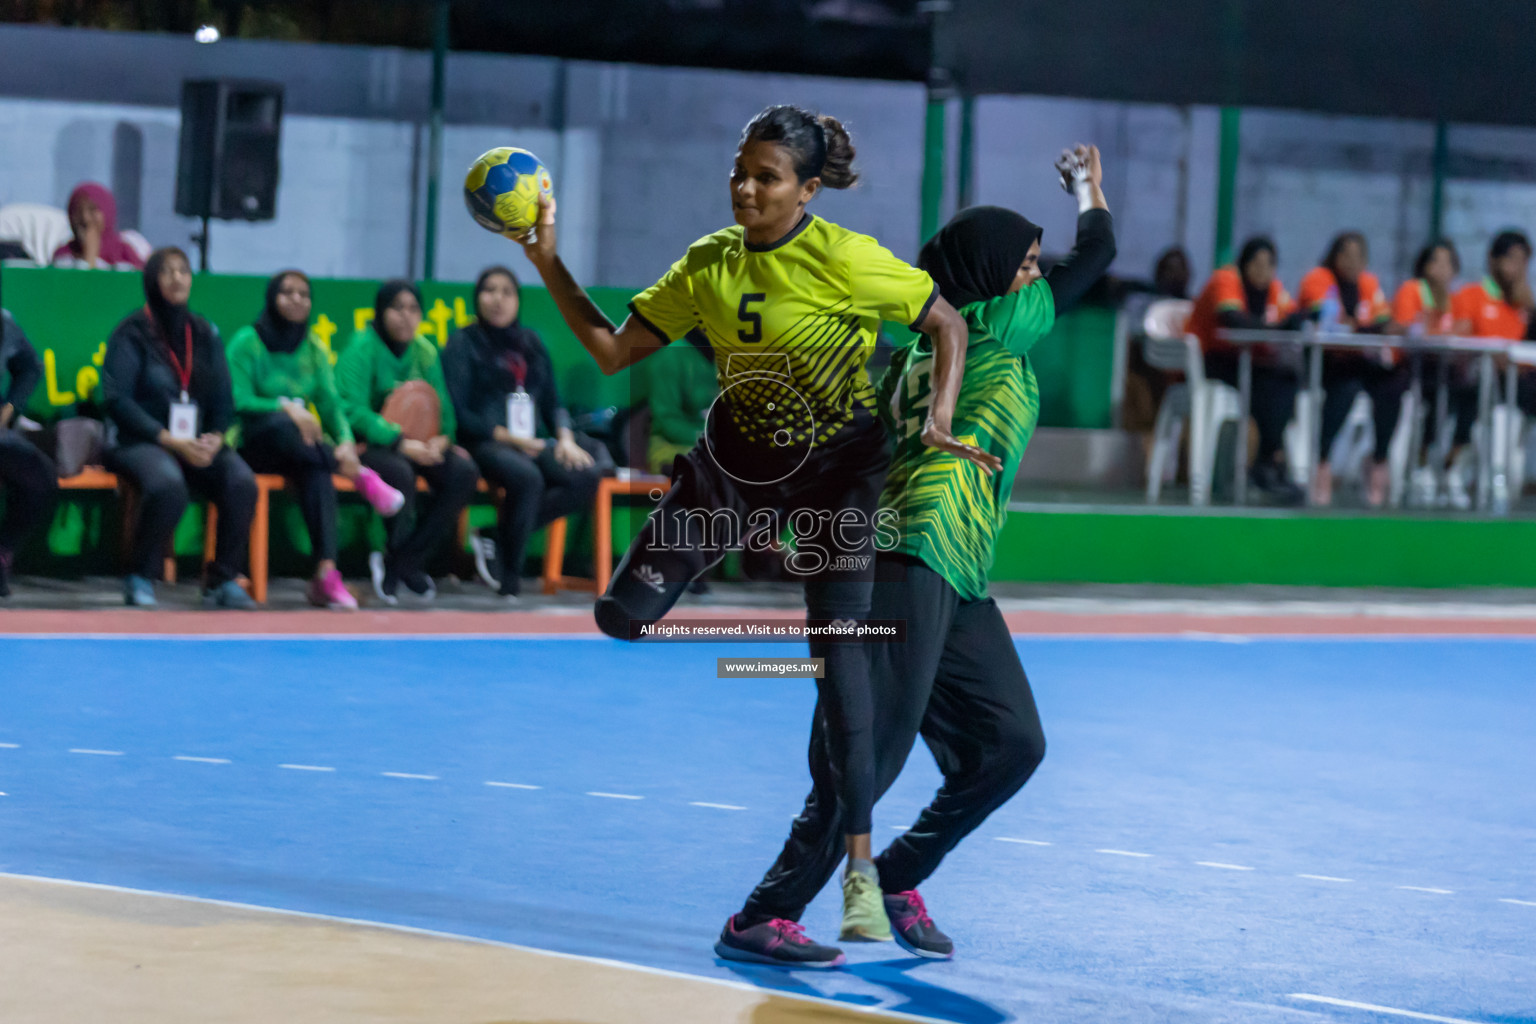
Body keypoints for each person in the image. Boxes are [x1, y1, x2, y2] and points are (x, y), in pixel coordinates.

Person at [512, 103, 996, 967]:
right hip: (732, 470)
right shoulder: (709, 263)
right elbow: (612, 351)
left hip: (840, 478)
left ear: (808, 190)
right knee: (621, 617)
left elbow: (947, 321)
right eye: (740, 172)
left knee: (844, 666)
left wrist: (938, 417)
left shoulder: (847, 259)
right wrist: (546, 260)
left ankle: (838, 881)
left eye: (765, 177)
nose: (745, 188)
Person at [734, 147, 1115, 962]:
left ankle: (898, 875)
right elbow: (1101, 257)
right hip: (914, 555)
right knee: (867, 751)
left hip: (956, 569)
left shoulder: (918, 353)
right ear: (984, 275)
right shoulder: (995, 323)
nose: (1034, 278)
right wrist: (1088, 188)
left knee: (1011, 743)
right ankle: (764, 913)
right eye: (1023, 265)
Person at [227, 271, 406, 610]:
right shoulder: (247, 342)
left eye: (304, 294)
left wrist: (345, 442)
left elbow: (330, 404)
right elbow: (237, 400)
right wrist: (287, 408)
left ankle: (326, 575)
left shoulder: (313, 348)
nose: (297, 300)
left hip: (301, 451)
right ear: (271, 298)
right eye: (287, 293)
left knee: (316, 471)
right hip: (253, 444)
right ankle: (362, 477)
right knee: (286, 427)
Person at [101, 247, 256, 609]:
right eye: (167, 272)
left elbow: (222, 398)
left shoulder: (204, 332)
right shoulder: (131, 332)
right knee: (168, 484)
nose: (177, 279)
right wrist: (170, 440)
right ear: (152, 280)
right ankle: (139, 575)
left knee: (241, 481)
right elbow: (117, 401)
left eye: (183, 271)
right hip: (139, 440)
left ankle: (223, 579)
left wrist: (215, 439)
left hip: (196, 442)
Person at [442, 266, 600, 602]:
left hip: (532, 441)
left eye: (507, 292)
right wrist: (512, 440)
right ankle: (510, 580)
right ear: (477, 297)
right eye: (490, 290)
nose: (498, 299)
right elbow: (459, 413)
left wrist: (566, 440)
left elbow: (553, 401)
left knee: (586, 474)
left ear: (517, 300)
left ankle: (496, 538)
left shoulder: (530, 342)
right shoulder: (462, 342)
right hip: (485, 442)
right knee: (527, 478)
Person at [336, 279, 479, 605]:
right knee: (400, 473)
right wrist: (398, 440)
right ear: (381, 312)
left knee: (463, 472)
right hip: (371, 447)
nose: (406, 317)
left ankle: (405, 561)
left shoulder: (425, 352)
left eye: (413, 309)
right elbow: (351, 409)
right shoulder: (361, 348)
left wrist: (443, 440)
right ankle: (391, 557)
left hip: (422, 445)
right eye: (397, 308)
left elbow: (444, 408)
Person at [1186, 237, 1306, 503]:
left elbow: (1294, 318)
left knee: (1287, 378)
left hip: (1247, 362)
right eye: (1256, 263)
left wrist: (1290, 322)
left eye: (1269, 265)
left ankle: (1267, 461)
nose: (1262, 271)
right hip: (1213, 360)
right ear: (1244, 263)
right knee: (1267, 385)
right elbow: (1234, 321)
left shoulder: (1273, 289)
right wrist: (1277, 328)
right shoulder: (1226, 280)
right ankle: (1269, 464)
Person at [1297, 232, 1405, 507]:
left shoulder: (1369, 283)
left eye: (1359, 255)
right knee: (1346, 388)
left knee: (1393, 385)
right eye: (1346, 254)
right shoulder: (1318, 279)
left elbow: (1383, 322)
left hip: (1362, 361)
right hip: (1326, 364)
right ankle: (1321, 460)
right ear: (1334, 256)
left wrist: (1359, 325)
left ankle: (1378, 459)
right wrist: (1361, 326)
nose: (1352, 261)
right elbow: (1328, 319)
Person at [1453, 231, 1535, 508]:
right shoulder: (1471, 295)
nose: (1519, 267)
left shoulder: (1524, 304)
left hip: (1520, 385)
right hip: (1480, 384)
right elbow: (1459, 341)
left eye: (1524, 260)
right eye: (1512, 259)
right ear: (1493, 260)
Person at [1391, 241, 1465, 506]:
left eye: (1448, 262)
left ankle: (1450, 466)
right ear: (1424, 266)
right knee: (1435, 398)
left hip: (1445, 372)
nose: (1442, 269)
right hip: (1410, 371)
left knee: (1466, 395)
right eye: (1436, 261)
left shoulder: (1455, 300)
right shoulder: (1412, 291)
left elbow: (1463, 332)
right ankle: (1419, 464)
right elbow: (1408, 330)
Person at [0, 310, 59, 598]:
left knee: (39, 476)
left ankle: (3, 551)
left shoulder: (4, 323)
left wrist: (9, 410)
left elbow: (30, 367)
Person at [642, 329, 718, 474]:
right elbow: (667, 422)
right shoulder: (669, 356)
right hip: (670, 449)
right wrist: (712, 440)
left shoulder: (727, 356)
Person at [51, 183, 145, 270]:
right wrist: (89, 255)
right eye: (77, 211)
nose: (85, 218)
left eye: (93, 210)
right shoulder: (63, 255)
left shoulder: (124, 253)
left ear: (107, 212)